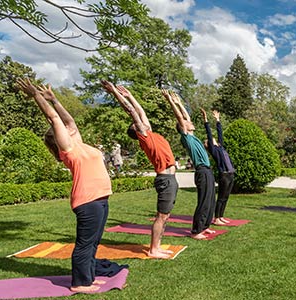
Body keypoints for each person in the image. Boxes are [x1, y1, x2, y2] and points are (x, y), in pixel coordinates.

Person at [17, 78, 112, 292]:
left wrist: (55, 98)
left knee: (93, 243)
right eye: (64, 130)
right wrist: (36, 96)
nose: (69, 129)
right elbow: (53, 118)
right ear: (60, 139)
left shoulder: (77, 143)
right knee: (85, 244)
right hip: (87, 201)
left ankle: (88, 277)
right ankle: (79, 283)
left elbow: (69, 122)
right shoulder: (68, 149)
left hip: (101, 199)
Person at [101, 81, 178, 258]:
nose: (143, 123)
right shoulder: (145, 138)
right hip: (165, 180)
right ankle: (153, 250)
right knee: (161, 216)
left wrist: (130, 95)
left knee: (165, 216)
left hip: (170, 180)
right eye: (139, 125)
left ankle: (157, 246)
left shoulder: (150, 134)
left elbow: (140, 111)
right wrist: (115, 93)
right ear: (137, 131)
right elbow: (133, 112)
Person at [161, 90, 216, 240]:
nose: (189, 122)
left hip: (208, 171)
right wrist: (170, 101)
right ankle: (196, 230)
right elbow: (180, 117)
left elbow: (185, 116)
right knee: (204, 200)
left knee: (211, 200)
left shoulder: (192, 136)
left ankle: (205, 226)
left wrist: (179, 103)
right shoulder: (186, 138)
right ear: (183, 128)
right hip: (202, 171)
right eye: (186, 123)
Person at [202, 109, 236, 225]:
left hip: (231, 174)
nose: (212, 140)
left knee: (226, 197)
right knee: (221, 197)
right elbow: (209, 134)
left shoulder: (220, 146)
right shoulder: (214, 150)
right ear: (208, 145)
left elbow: (219, 133)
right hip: (224, 175)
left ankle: (221, 216)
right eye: (208, 141)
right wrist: (206, 120)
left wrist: (217, 120)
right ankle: (216, 218)